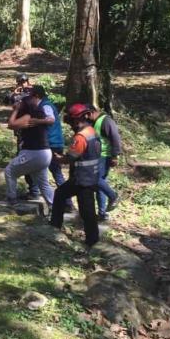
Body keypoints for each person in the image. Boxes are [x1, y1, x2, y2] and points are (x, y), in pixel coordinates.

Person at [49, 103, 101, 247]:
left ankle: (55, 227)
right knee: (86, 209)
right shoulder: (92, 131)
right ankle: (92, 239)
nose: (70, 125)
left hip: (82, 179)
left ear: (75, 120)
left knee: (85, 210)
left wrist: (59, 158)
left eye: (70, 122)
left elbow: (72, 157)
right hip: (91, 177)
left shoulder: (81, 137)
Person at [0, 85, 54, 208]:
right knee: (43, 183)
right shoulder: (39, 113)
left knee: (10, 171)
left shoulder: (29, 116)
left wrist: (16, 110)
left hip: (33, 153)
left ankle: (11, 199)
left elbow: (11, 124)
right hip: (44, 153)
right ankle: (54, 206)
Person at [86, 105, 122, 221]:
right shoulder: (95, 122)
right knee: (100, 184)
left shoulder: (106, 121)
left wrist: (115, 155)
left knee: (95, 179)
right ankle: (102, 213)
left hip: (103, 156)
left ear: (92, 112)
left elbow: (115, 138)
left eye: (87, 114)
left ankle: (113, 195)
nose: (86, 117)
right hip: (97, 155)